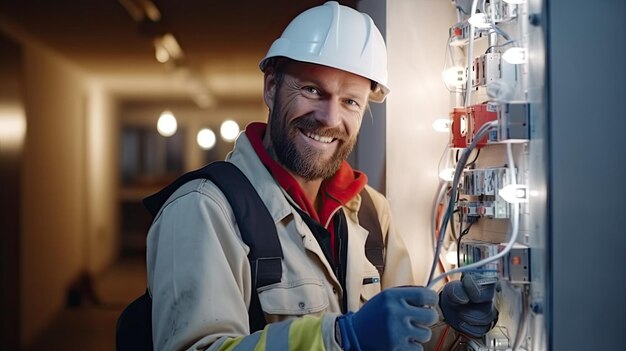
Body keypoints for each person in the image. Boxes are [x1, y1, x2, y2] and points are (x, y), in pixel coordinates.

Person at [146, 2, 497, 350]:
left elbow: (399, 340)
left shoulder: (373, 214)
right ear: (271, 87)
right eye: (313, 90)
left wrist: (446, 324)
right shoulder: (204, 210)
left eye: (350, 102)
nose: (330, 118)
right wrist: (341, 338)